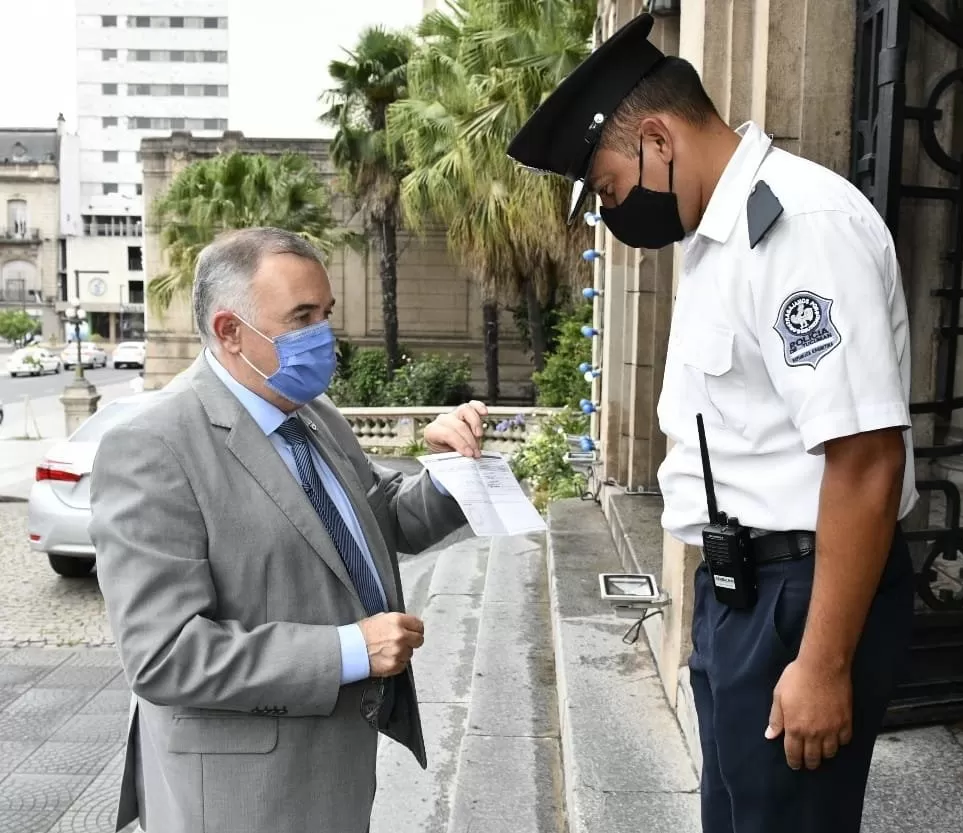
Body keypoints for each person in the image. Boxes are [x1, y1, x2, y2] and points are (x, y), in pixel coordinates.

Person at [506, 13, 916, 833]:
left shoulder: (799, 229)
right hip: (743, 594)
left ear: (657, 137)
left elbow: (867, 459)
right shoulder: (718, 240)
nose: (616, 216)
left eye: (613, 188)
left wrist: (823, 660)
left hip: (803, 596)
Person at [89, 227, 487, 833]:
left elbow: (384, 520)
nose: (324, 336)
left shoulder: (310, 412)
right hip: (238, 797)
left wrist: (456, 469)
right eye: (302, 317)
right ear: (229, 331)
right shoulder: (154, 447)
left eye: (325, 313)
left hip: (332, 772)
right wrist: (351, 649)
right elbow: (165, 656)